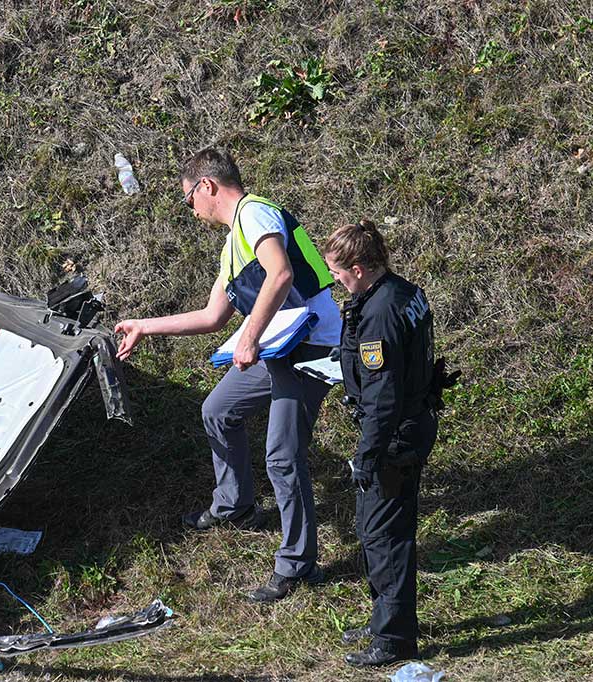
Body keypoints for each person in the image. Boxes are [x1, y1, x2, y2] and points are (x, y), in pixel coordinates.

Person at [114, 147, 340, 602]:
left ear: (207, 186)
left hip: (311, 349)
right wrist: (143, 326)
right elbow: (212, 316)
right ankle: (235, 506)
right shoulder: (233, 245)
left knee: (282, 456)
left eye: (189, 200)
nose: (192, 210)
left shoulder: (255, 213)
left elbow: (280, 274)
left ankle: (297, 565)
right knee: (218, 409)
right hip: (279, 348)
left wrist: (249, 338)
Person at [322, 220, 440, 667]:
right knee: (385, 530)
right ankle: (386, 621)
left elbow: (383, 397)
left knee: (383, 535)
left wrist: (367, 457)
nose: (336, 280)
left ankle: (394, 639)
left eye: (338, 273)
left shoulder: (379, 313)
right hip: (411, 423)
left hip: (393, 436)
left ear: (358, 268)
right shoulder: (402, 291)